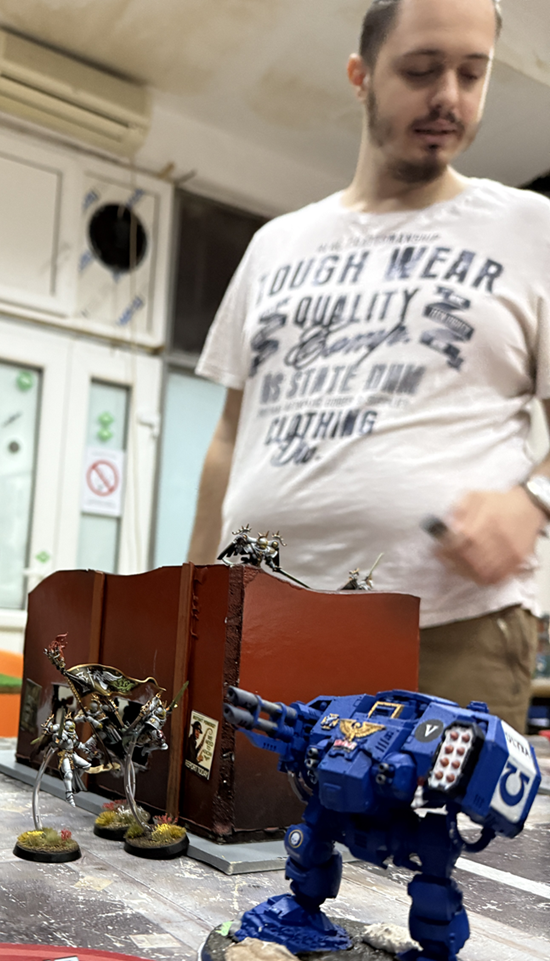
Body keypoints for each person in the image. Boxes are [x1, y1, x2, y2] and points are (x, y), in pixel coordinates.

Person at [189, 0, 550, 732]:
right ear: (360, 76)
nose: (448, 97)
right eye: (421, 70)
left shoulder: (532, 230)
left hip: (446, 629)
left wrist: (533, 500)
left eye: (472, 74)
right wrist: (189, 598)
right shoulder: (275, 245)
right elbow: (229, 435)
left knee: (423, 811)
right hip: (262, 623)